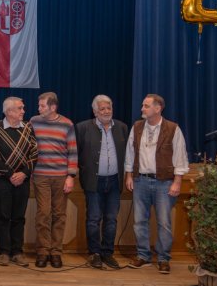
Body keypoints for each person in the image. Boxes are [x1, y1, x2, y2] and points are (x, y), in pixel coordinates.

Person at [125, 94, 189, 274]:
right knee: (139, 221)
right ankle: (143, 256)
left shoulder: (173, 128)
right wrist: (129, 175)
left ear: (158, 108)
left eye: (146, 106)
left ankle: (163, 258)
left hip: (164, 182)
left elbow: (180, 156)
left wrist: (177, 182)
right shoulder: (137, 127)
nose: (142, 109)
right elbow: (130, 153)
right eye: (143, 105)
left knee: (164, 223)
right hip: (140, 180)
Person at [75, 95, 129, 269]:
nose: (106, 111)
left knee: (111, 219)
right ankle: (94, 253)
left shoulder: (122, 127)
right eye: (102, 109)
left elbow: (128, 155)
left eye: (109, 108)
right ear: (95, 111)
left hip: (114, 181)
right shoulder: (82, 128)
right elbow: (76, 154)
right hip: (93, 181)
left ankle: (107, 253)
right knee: (93, 219)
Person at [28, 92, 78, 268]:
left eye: (42, 106)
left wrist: (70, 176)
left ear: (53, 107)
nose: (39, 108)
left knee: (59, 215)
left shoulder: (67, 124)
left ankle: (56, 252)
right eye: (39, 105)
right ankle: (42, 251)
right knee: (43, 214)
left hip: (61, 177)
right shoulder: (34, 122)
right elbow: (28, 146)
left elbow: (73, 152)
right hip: (40, 175)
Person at [0, 97, 38, 267]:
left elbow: (34, 153)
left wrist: (23, 174)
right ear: (9, 111)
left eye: (23, 108)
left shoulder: (28, 128)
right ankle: (3, 251)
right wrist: (11, 174)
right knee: (3, 217)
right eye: (20, 108)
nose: (23, 111)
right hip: (1, 181)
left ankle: (17, 251)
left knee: (18, 217)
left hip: (23, 180)